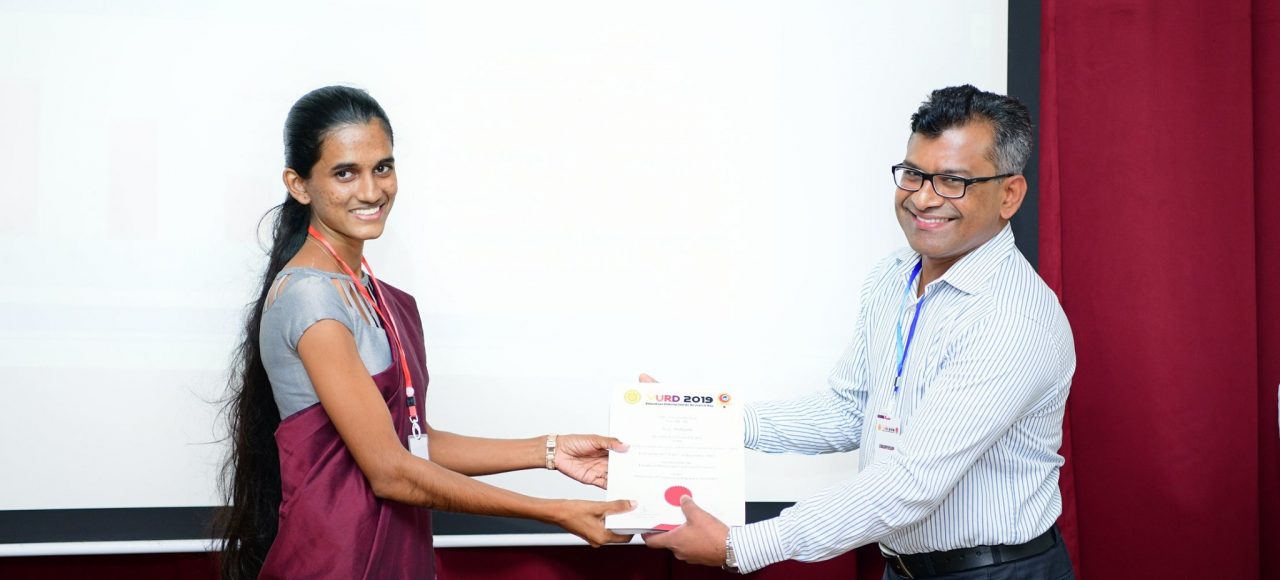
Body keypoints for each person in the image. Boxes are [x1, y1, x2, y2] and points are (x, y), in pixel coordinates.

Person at [643, 85, 1077, 579]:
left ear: (1009, 194)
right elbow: (851, 410)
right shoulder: (893, 277)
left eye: (952, 181)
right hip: (904, 569)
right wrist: (705, 423)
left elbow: (911, 482)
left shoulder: (1012, 318)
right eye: (913, 174)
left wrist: (740, 546)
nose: (923, 198)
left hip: (996, 572)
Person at [219, 86, 633, 580]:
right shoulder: (310, 298)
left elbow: (415, 443)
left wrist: (550, 450)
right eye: (345, 173)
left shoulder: (377, 293)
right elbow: (390, 472)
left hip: (396, 559)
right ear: (299, 185)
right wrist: (555, 511)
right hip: (337, 566)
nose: (371, 191)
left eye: (383, 168)